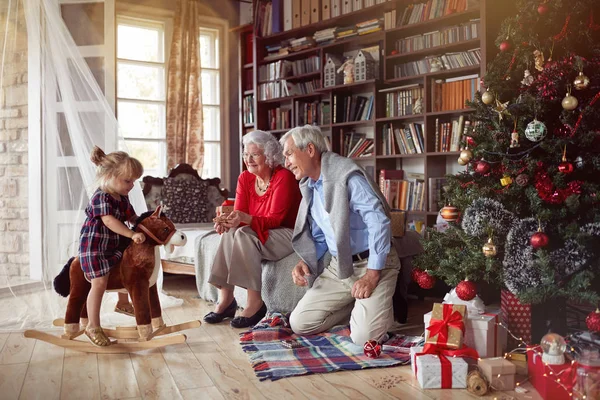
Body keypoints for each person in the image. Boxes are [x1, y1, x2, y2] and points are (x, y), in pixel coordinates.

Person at [280, 125, 400, 345]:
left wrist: (372, 276)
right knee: (300, 323)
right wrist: (304, 261)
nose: (286, 162)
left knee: (364, 338)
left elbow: (379, 222)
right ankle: (358, 309)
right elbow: (319, 237)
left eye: (289, 154)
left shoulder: (347, 177)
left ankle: (373, 314)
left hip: (373, 265)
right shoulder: (310, 187)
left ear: (309, 150)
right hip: (341, 266)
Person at [204, 130, 302, 328]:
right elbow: (239, 215)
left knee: (243, 234)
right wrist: (227, 222)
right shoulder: (245, 178)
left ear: (270, 156)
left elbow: (275, 220)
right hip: (260, 231)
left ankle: (255, 302)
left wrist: (243, 219)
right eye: (246, 154)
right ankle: (226, 298)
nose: (248, 159)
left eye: (255, 154)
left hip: (288, 232)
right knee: (232, 232)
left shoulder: (284, 177)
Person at [79, 146, 146, 346]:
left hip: (113, 245)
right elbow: (109, 222)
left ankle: (123, 303)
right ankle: (93, 325)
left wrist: (143, 224)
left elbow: (132, 217)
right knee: (99, 283)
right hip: (96, 247)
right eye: (127, 181)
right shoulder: (101, 196)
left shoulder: (123, 197)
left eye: (134, 181)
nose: (132, 185)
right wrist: (132, 234)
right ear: (109, 176)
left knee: (127, 269)